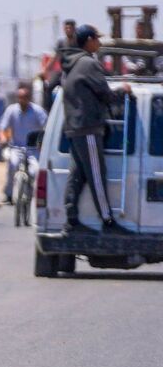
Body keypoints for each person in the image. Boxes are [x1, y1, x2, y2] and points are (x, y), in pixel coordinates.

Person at [61, 25, 133, 236]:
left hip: (74, 128)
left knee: (77, 176)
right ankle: (108, 221)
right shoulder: (89, 63)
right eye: (97, 40)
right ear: (89, 40)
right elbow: (106, 94)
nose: (100, 44)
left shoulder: (72, 63)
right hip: (88, 128)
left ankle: (71, 222)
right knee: (97, 175)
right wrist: (124, 90)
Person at [0, 86, 48, 202]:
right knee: (13, 165)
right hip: (16, 148)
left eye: (24, 98)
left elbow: (46, 126)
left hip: (33, 149)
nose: (22, 100)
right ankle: (9, 194)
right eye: (20, 98)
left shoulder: (37, 111)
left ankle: (31, 194)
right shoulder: (12, 110)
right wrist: (3, 138)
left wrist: (42, 142)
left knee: (35, 170)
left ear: (29, 98)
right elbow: (2, 127)